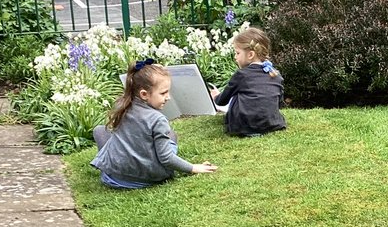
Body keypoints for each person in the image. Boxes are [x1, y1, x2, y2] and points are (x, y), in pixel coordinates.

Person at [91, 59, 218, 188]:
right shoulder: (157, 119)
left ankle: (116, 165)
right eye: (163, 93)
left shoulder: (121, 105)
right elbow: (166, 158)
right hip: (146, 179)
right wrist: (193, 168)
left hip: (112, 178)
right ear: (144, 94)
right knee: (172, 136)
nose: (168, 97)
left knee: (100, 131)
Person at [209, 27, 286, 137]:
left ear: (250, 55)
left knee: (236, 96)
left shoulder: (242, 75)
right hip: (272, 125)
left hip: (243, 127)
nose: (235, 57)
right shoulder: (276, 75)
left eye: (237, 53)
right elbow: (279, 103)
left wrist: (215, 96)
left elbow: (221, 101)